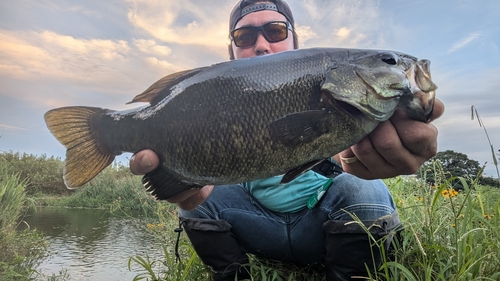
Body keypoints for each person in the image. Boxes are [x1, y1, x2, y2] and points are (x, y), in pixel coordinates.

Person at [130, 0, 445, 280]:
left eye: (276, 30)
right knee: (196, 203)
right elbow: (198, 188)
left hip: (320, 225)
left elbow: (341, 158)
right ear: (232, 51)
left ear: (296, 42)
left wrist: (357, 157)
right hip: (255, 226)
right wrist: (186, 178)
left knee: (364, 189)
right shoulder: (210, 100)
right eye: (245, 36)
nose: (262, 44)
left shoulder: (344, 103)